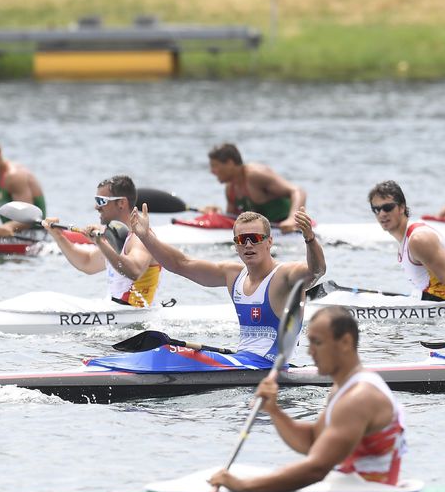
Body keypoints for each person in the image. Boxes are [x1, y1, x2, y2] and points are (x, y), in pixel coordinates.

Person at [209, 306, 406, 492]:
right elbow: (313, 441)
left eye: (317, 342)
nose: (310, 351)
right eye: (309, 342)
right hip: (350, 491)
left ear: (345, 342)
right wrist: (274, 411)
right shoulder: (343, 388)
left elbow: (316, 469)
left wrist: (244, 486)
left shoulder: (359, 398)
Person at [131, 205, 325, 363]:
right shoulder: (232, 275)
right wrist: (146, 237)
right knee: (170, 352)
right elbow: (181, 264)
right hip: (244, 362)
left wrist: (310, 238)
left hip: (273, 366)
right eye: (242, 239)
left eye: (255, 239)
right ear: (235, 245)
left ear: (269, 242)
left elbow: (316, 271)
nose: (248, 245)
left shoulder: (285, 275)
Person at [42, 175, 161, 308]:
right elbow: (86, 263)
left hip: (134, 314)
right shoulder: (116, 237)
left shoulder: (140, 238)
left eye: (101, 201)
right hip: (115, 310)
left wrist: (100, 243)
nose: (96, 207)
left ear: (121, 203)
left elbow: (134, 271)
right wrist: (58, 236)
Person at [368, 180, 445, 310]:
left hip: (443, 312)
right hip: (427, 305)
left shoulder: (419, 239)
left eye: (387, 207)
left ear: (402, 207)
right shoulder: (405, 241)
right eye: (376, 209)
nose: (382, 213)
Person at [203, 143, 307, 234]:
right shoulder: (230, 189)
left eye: (215, 166)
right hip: (266, 234)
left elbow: (298, 191)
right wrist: (217, 214)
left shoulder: (255, 175)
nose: (212, 171)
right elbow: (234, 221)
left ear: (230, 163)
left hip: (289, 230)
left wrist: (292, 220)